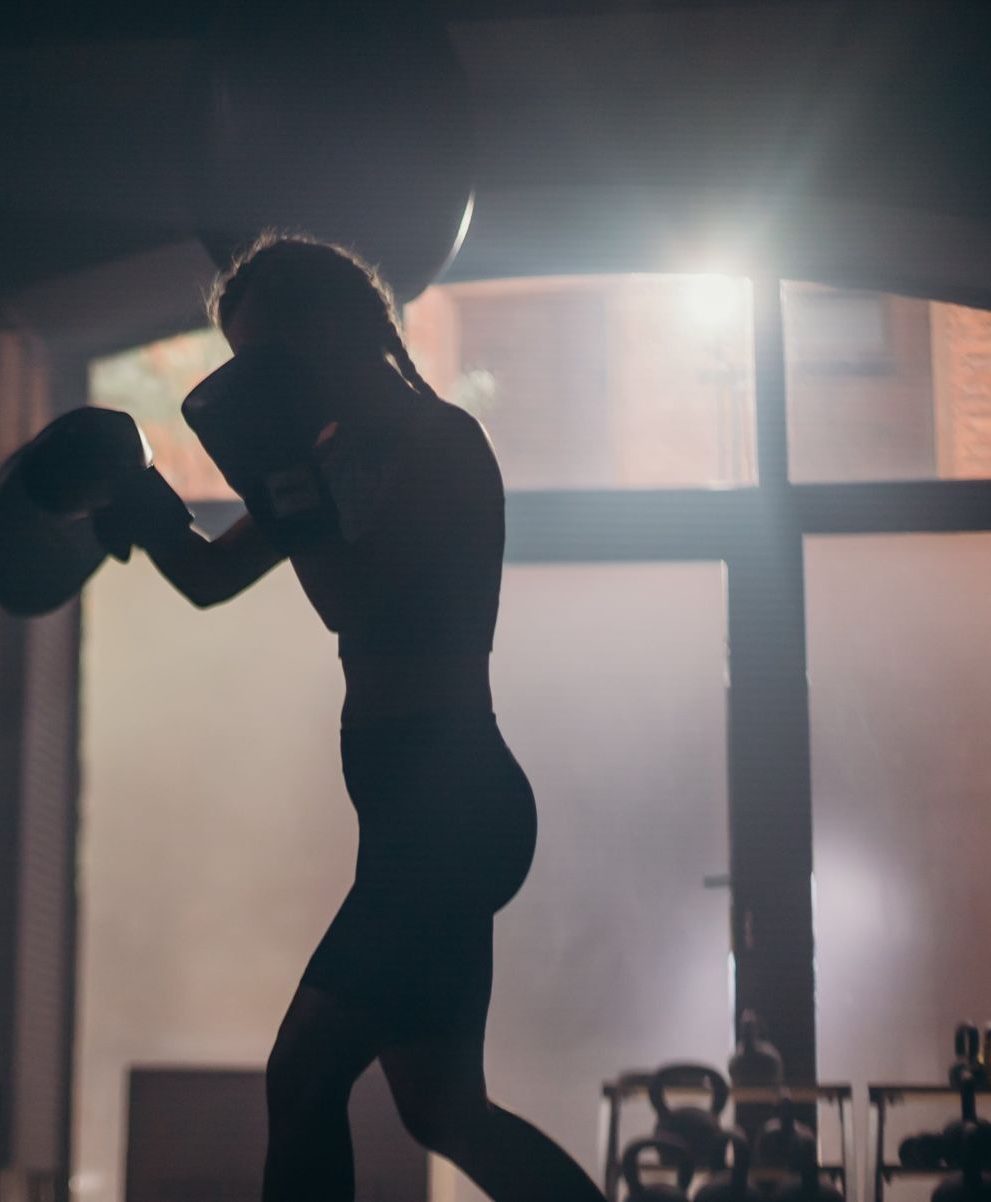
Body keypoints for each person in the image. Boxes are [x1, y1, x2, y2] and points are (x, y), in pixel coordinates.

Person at [96, 234, 606, 1202]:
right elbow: (209, 577)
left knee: (301, 1075)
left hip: (451, 818)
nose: (258, 383)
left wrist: (280, 473)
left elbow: (350, 595)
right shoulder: (342, 461)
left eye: (266, 361)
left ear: (327, 332)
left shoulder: (439, 444)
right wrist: (137, 494)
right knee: (446, 1111)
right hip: (416, 830)